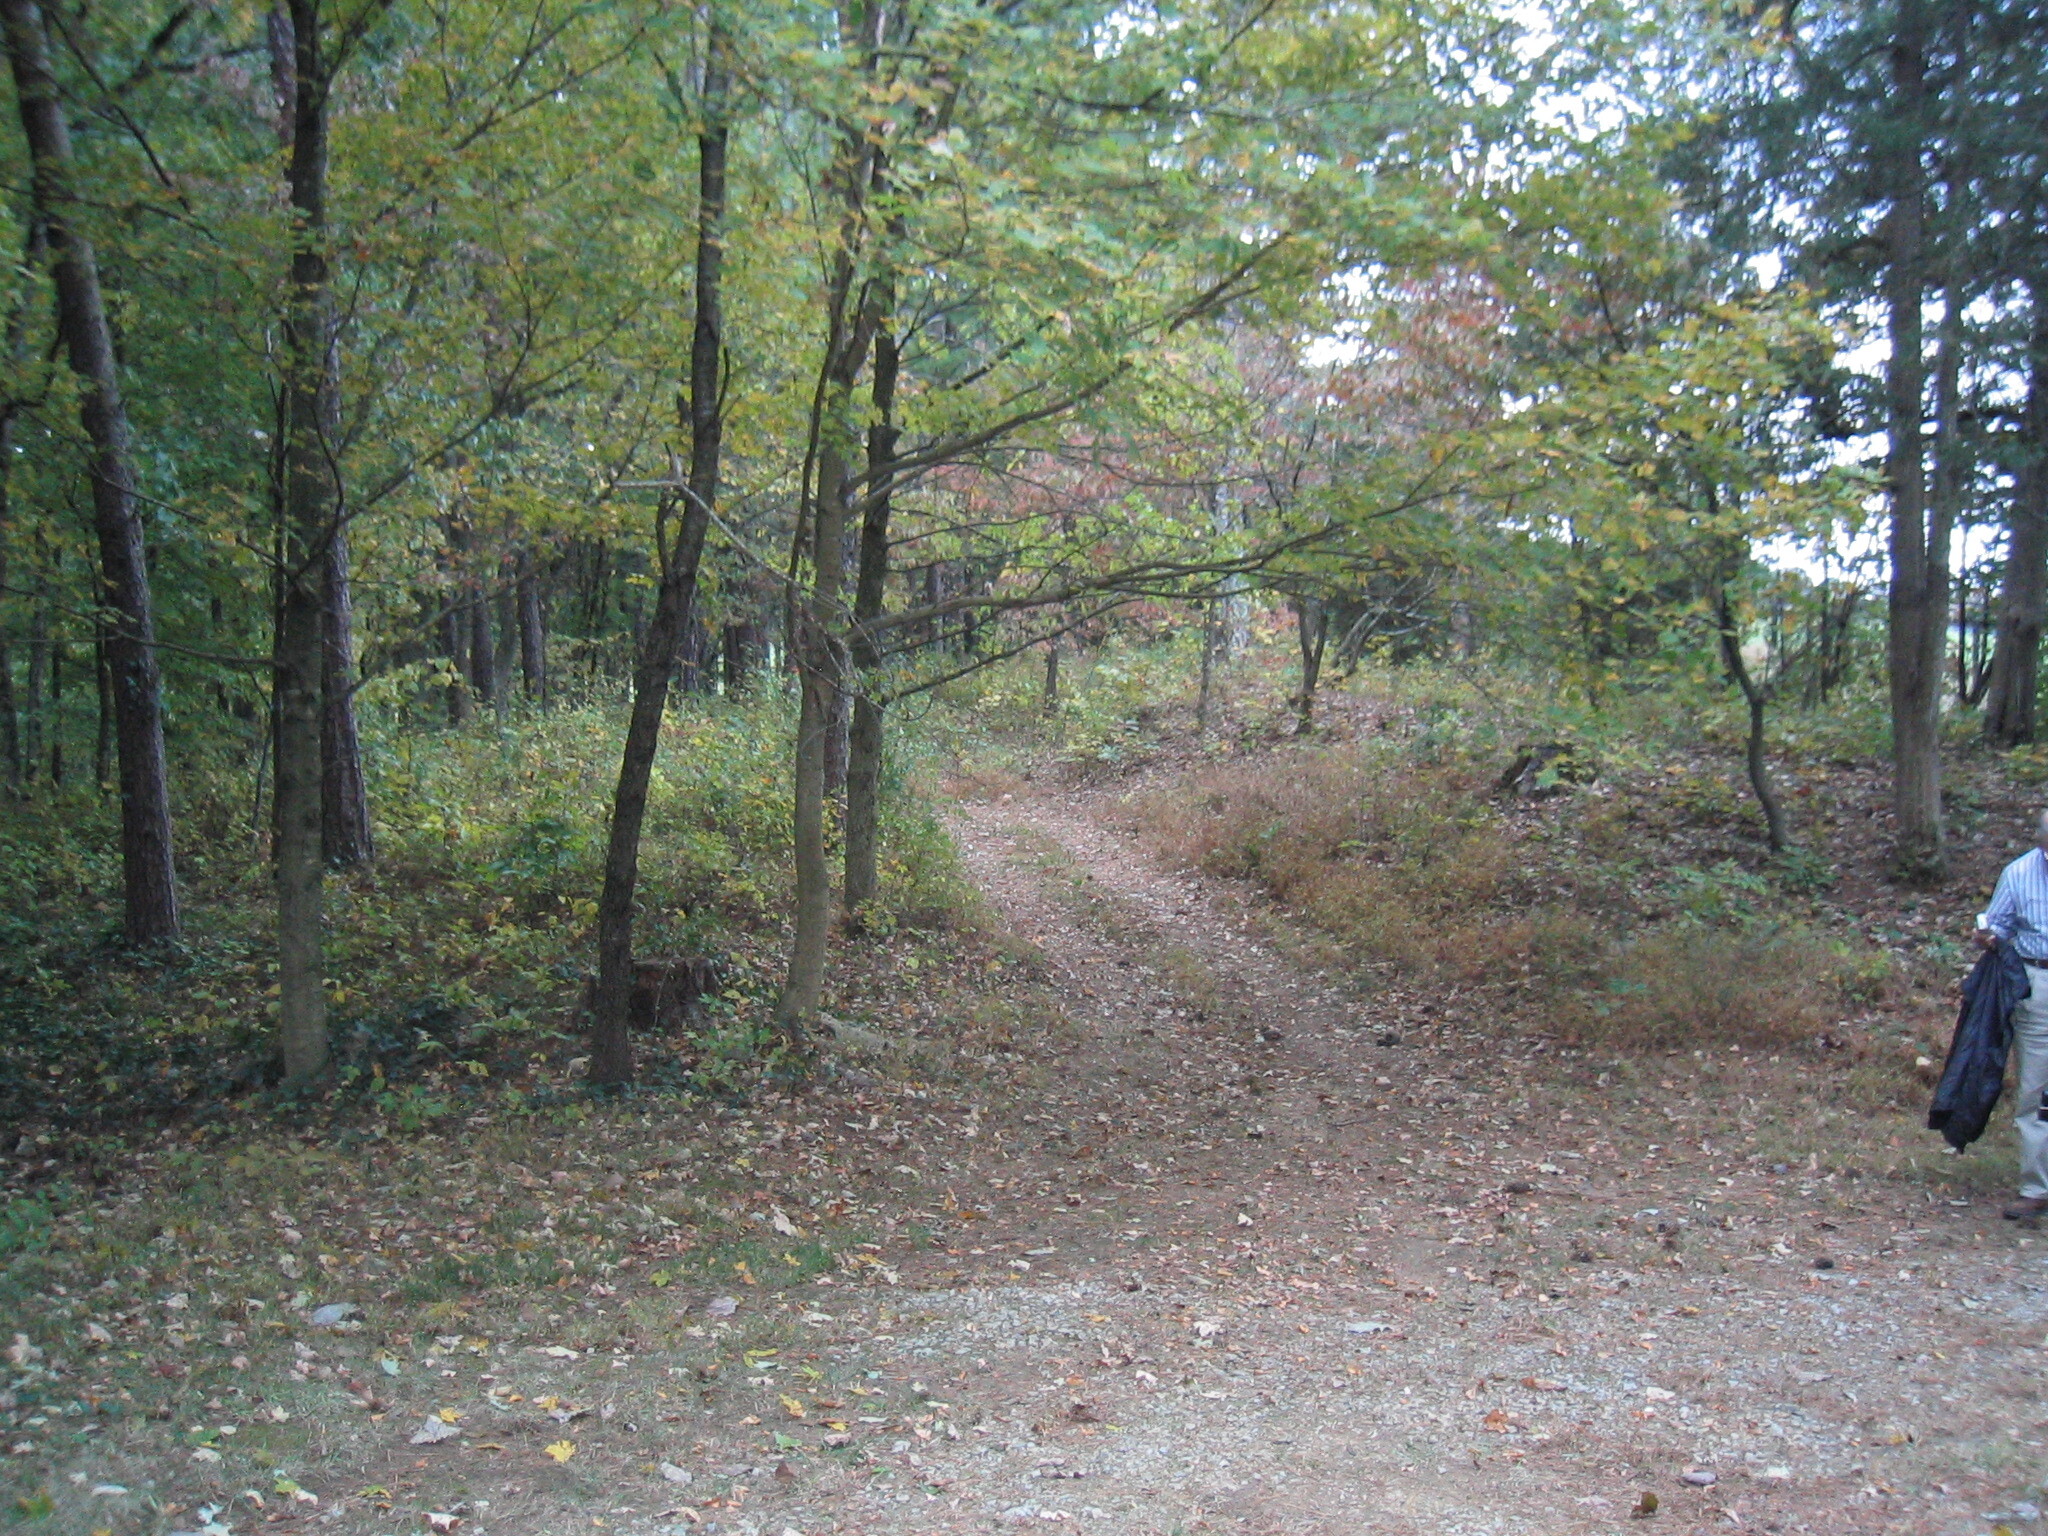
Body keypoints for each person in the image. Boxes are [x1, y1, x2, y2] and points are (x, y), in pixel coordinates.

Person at [1973, 809, 2048, 1220]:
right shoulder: (2018, 873)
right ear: (2041, 842)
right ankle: (2036, 1188)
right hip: (2038, 983)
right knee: (2036, 1090)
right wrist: (1986, 936)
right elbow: (1997, 926)